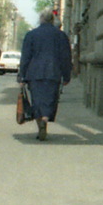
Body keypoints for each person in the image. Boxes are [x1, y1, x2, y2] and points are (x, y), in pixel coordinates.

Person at [17, 8, 73, 141]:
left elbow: (25, 57)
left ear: (40, 19)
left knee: (37, 100)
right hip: (53, 72)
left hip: (34, 73)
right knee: (50, 99)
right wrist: (67, 75)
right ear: (53, 20)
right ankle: (45, 119)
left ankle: (40, 124)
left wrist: (21, 75)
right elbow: (66, 57)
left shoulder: (31, 35)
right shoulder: (61, 35)